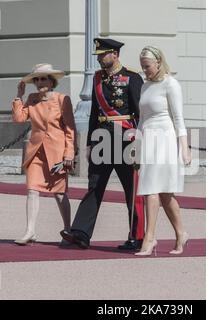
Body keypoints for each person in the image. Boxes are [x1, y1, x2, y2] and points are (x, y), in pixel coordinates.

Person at [60, 38, 145, 250]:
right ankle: (81, 232)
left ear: (115, 54)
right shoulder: (97, 79)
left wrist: (140, 142)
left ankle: (137, 236)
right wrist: (89, 143)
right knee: (95, 185)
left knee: (132, 189)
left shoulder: (132, 78)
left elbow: (140, 113)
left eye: (102, 54)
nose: (99, 58)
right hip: (102, 137)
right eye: (98, 55)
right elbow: (93, 115)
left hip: (126, 138)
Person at [134, 46, 191, 256]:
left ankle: (149, 238)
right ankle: (181, 232)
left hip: (165, 140)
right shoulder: (145, 86)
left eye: (147, 66)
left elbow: (179, 118)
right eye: (142, 67)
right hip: (148, 138)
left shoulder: (171, 84)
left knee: (151, 188)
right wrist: (137, 147)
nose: (145, 71)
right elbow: (141, 119)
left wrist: (185, 148)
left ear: (158, 62)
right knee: (165, 194)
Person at [12, 63, 77, 245]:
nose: (40, 82)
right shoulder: (32, 99)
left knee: (59, 193)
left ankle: (68, 230)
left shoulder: (62, 99)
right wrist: (19, 96)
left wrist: (69, 154)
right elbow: (18, 119)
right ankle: (30, 230)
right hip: (36, 152)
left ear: (52, 81)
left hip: (57, 152)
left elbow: (70, 129)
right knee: (32, 190)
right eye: (37, 79)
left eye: (43, 78)